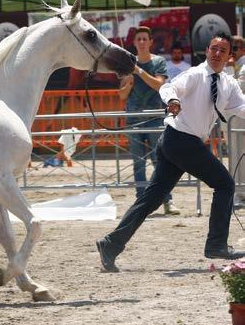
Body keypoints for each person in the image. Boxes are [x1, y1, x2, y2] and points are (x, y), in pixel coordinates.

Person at [97, 33, 245, 272]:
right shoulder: (196, 74)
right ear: (207, 51)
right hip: (180, 140)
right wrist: (173, 101)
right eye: (214, 49)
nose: (217, 54)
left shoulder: (228, 84)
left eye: (223, 50)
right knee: (225, 184)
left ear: (230, 56)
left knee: (151, 199)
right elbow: (168, 87)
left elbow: (241, 108)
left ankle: (110, 244)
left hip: (177, 142)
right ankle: (216, 244)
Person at [119, 26, 180, 215]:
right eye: (139, 39)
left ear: (151, 42)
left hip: (155, 118)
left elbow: (159, 85)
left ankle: (166, 200)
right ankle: (141, 202)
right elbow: (122, 95)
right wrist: (128, 83)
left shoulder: (159, 62)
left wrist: (138, 72)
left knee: (159, 162)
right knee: (138, 163)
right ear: (135, 43)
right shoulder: (127, 63)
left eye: (145, 39)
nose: (142, 42)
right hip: (134, 119)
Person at [228, 36, 245, 207]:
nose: (231, 51)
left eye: (235, 47)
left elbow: (237, 89)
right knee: (236, 155)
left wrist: (230, 69)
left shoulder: (243, 66)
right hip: (235, 119)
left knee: (237, 156)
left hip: (240, 120)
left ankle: (239, 194)